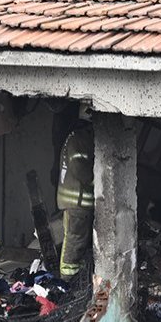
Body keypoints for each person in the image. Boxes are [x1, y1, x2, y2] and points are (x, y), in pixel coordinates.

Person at [57, 105, 94, 278]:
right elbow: (79, 167)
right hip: (77, 201)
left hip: (75, 201)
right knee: (75, 241)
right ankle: (68, 280)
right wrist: (96, 181)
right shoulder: (80, 138)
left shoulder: (74, 136)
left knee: (75, 241)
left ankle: (71, 277)